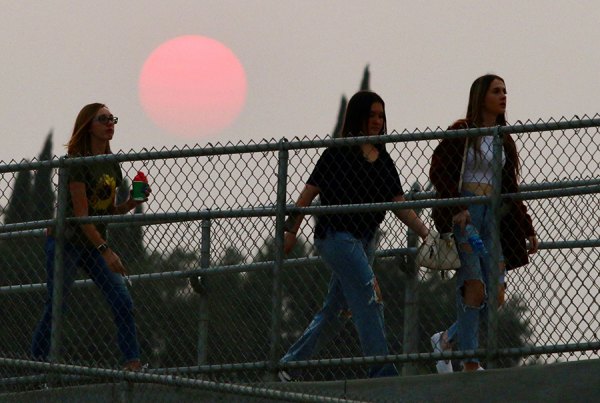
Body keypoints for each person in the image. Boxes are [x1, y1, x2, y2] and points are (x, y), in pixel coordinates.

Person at [278, 90, 430, 381]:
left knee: (335, 310)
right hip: (336, 237)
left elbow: (399, 204)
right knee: (370, 296)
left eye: (381, 116)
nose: (377, 121)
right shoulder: (337, 152)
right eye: (371, 115)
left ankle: (291, 364)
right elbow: (307, 195)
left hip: (364, 242)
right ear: (358, 117)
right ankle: (382, 371)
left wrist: (426, 233)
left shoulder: (384, 160)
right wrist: (290, 229)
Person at [429, 74, 539, 372]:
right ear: (481, 97)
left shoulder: (504, 138)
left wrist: (526, 226)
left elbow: (511, 188)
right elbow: (438, 170)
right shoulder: (464, 131)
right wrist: (457, 206)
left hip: (493, 217)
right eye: (496, 91)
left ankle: (446, 340)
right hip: (467, 215)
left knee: (496, 294)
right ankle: (470, 362)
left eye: (505, 90)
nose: (503, 96)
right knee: (474, 285)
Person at [31, 103, 150, 371]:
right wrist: (106, 250)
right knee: (56, 307)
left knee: (122, 301)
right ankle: (37, 367)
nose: (110, 123)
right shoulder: (77, 162)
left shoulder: (111, 165)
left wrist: (131, 203)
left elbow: (105, 212)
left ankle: (133, 366)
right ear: (88, 126)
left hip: (93, 244)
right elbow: (83, 218)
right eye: (103, 119)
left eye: (112, 119)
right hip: (68, 243)